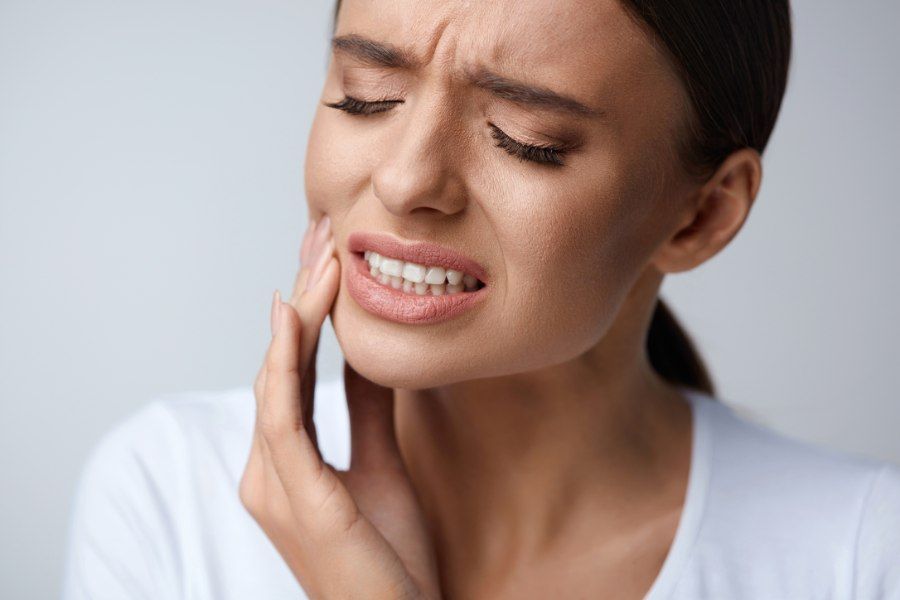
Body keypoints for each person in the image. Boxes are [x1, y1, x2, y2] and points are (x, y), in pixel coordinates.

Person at [61, 0, 900, 598]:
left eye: (526, 141)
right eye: (366, 94)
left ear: (702, 214)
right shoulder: (168, 493)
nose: (404, 179)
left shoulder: (860, 554)